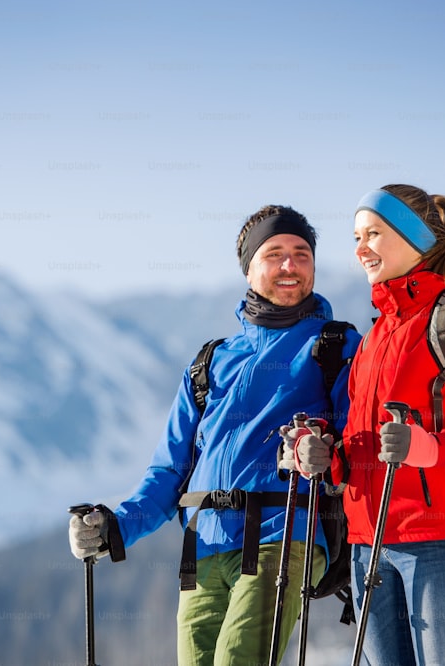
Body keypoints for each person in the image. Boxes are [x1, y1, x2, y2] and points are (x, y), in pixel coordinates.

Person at [68, 204, 361, 666]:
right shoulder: (209, 362)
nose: (290, 265)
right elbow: (169, 472)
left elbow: (355, 440)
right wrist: (114, 526)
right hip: (203, 551)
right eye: (275, 253)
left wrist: (325, 447)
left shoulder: (336, 346)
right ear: (249, 269)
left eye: (301, 253)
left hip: (284, 537)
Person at [289, 184, 445, 665]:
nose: (360, 248)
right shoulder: (375, 336)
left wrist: (428, 448)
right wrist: (326, 456)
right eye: (356, 237)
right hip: (367, 542)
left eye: (373, 233)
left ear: (414, 239)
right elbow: (360, 442)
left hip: (440, 539)